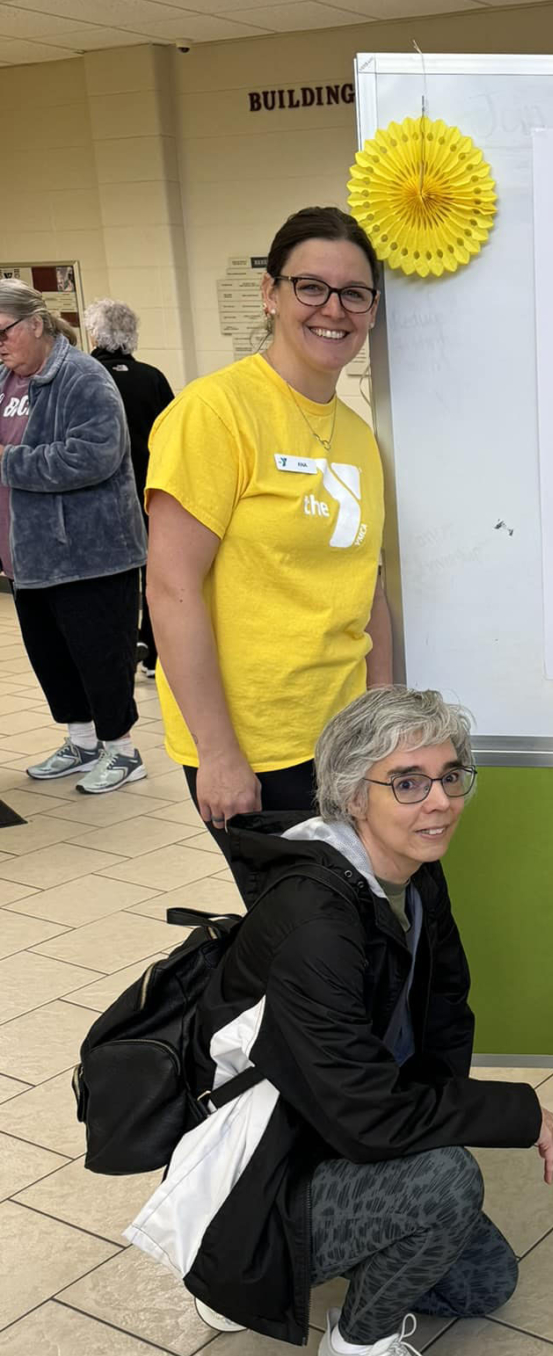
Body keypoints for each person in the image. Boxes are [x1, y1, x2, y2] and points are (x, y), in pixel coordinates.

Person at [126, 686, 553, 1356]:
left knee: (485, 1283)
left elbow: (443, 1013)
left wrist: (437, 1115)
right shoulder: (314, 919)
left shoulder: (413, 873)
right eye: (409, 781)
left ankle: (318, 1249)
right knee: (447, 1182)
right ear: (353, 796)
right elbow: (368, 1117)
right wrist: (515, 1112)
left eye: (450, 775)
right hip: (253, 1174)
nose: (440, 802)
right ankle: (351, 1354)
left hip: (322, 1124)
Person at [144, 205, 392, 879]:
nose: (332, 309)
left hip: (343, 735)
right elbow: (170, 590)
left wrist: (384, 722)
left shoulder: (358, 434)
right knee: (312, 950)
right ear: (270, 293)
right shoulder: (214, 413)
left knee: (374, 932)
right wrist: (219, 754)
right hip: (257, 745)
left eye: (354, 293)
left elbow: (364, 584)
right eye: (310, 286)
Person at [0, 278, 147, 794]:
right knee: (52, 659)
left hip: (89, 556)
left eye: (2, 334)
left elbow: (93, 456)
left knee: (100, 657)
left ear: (36, 323)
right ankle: (81, 741)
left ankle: (123, 751)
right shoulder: (5, 381)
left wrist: (7, 462)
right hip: (28, 557)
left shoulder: (84, 378)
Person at [84, 299, 175, 678]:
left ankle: (115, 655)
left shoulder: (85, 376)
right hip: (151, 492)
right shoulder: (152, 377)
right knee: (156, 577)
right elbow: (173, 436)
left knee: (109, 582)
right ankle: (153, 651)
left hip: (101, 499)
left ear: (95, 333)